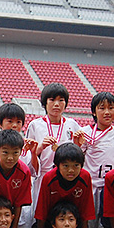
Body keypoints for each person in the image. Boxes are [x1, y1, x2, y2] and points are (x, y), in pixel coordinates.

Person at [0, 102, 39, 228]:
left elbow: (34, 172)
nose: (14, 125)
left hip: (13, 210)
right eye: (10, 121)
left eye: (18, 122)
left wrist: (33, 152)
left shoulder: (23, 162)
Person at [76, 92, 114, 228]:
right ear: (94, 112)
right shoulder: (84, 133)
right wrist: (77, 144)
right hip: (89, 188)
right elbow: (77, 158)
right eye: (102, 108)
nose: (107, 112)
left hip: (109, 189)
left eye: (111, 108)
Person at [26, 83, 80, 213]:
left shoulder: (72, 125)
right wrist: (41, 147)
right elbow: (28, 155)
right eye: (52, 100)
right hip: (43, 176)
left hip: (66, 177)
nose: (56, 104)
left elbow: (78, 154)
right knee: (42, 213)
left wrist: (78, 145)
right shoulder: (35, 125)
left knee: (65, 212)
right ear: (44, 103)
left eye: (61, 100)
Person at [32, 143, 95, 228]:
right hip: (51, 222)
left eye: (76, 165)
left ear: (81, 165)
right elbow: (42, 208)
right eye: (66, 166)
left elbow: (86, 208)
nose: (71, 170)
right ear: (57, 165)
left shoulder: (85, 177)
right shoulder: (49, 178)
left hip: (74, 221)